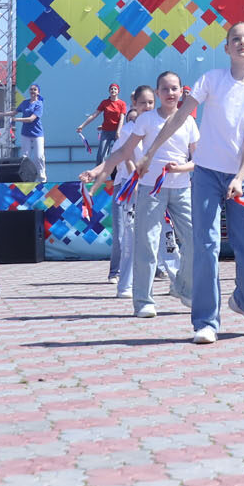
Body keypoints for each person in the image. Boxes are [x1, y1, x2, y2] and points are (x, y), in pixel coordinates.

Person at [140, 21, 244, 344]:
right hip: (205, 175)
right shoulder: (211, 81)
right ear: (226, 47)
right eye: (236, 39)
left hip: (243, 178)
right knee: (205, 246)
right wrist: (152, 150)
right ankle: (205, 321)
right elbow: (180, 116)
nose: (242, 43)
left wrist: (241, 176)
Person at [84, 72, 199, 318]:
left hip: (181, 188)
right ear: (158, 93)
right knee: (146, 242)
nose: (170, 93)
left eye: (174, 88)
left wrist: (183, 168)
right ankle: (144, 301)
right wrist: (99, 170)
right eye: (165, 89)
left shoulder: (188, 121)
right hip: (150, 189)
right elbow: (125, 150)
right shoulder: (146, 120)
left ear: (181, 92)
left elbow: (198, 159)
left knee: (193, 241)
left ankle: (183, 286)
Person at [80, 84, 155, 299]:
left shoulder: (160, 128)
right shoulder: (128, 133)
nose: (147, 107)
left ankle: (172, 277)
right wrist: (93, 182)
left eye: (150, 103)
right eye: (142, 104)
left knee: (156, 236)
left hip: (154, 187)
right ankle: (121, 278)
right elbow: (114, 162)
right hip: (127, 187)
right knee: (125, 236)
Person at [76, 83, 129, 165]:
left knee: (119, 152)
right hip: (106, 131)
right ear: (109, 91)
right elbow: (94, 115)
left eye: (115, 89)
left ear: (118, 91)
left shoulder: (122, 103)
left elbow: (122, 118)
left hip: (117, 132)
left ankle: (118, 174)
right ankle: (98, 175)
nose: (113, 90)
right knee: (101, 153)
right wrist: (82, 125)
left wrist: (118, 131)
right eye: (111, 89)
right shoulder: (105, 102)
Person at [14, 84, 47, 181]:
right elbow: (14, 112)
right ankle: (26, 177)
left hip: (37, 134)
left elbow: (31, 119)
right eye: (31, 89)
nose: (32, 91)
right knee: (25, 157)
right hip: (26, 133)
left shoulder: (39, 104)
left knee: (39, 156)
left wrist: (17, 119)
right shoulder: (25, 103)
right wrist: (2, 114)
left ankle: (42, 175)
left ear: (38, 92)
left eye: (35, 89)